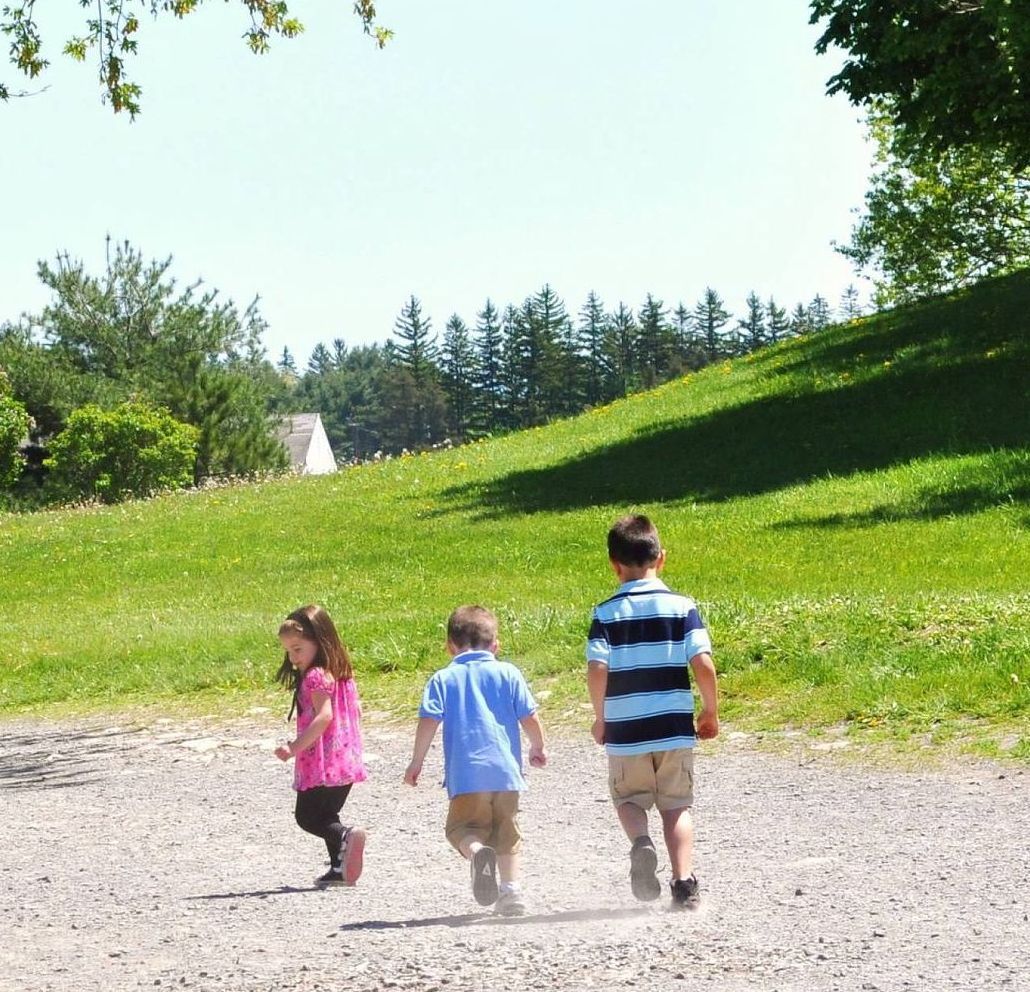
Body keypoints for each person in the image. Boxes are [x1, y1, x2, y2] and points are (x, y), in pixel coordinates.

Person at [586, 514, 720, 910]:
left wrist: (601, 716)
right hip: (674, 725)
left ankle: (641, 843)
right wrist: (710, 710)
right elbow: (703, 663)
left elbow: (596, 668)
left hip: (626, 729)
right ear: (661, 559)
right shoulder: (682, 607)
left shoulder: (606, 613)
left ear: (614, 564)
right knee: (676, 806)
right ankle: (683, 882)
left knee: (628, 799)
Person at [404, 605, 547, 917]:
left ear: (449, 646)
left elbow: (429, 720)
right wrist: (538, 746)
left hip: (466, 774)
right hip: (507, 774)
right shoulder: (509, 672)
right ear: (495, 645)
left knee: (462, 829)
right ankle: (511, 893)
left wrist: (417, 761)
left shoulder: (443, 678)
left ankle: (478, 853)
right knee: (507, 833)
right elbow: (529, 715)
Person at [274, 604, 368, 886]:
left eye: (298, 649)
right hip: (346, 758)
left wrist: (294, 747)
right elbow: (356, 711)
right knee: (327, 814)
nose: (292, 658)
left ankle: (346, 836)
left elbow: (324, 716)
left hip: (323, 761)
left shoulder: (316, 676)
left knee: (307, 817)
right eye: (289, 651)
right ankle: (340, 868)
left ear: (319, 640)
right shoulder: (341, 673)